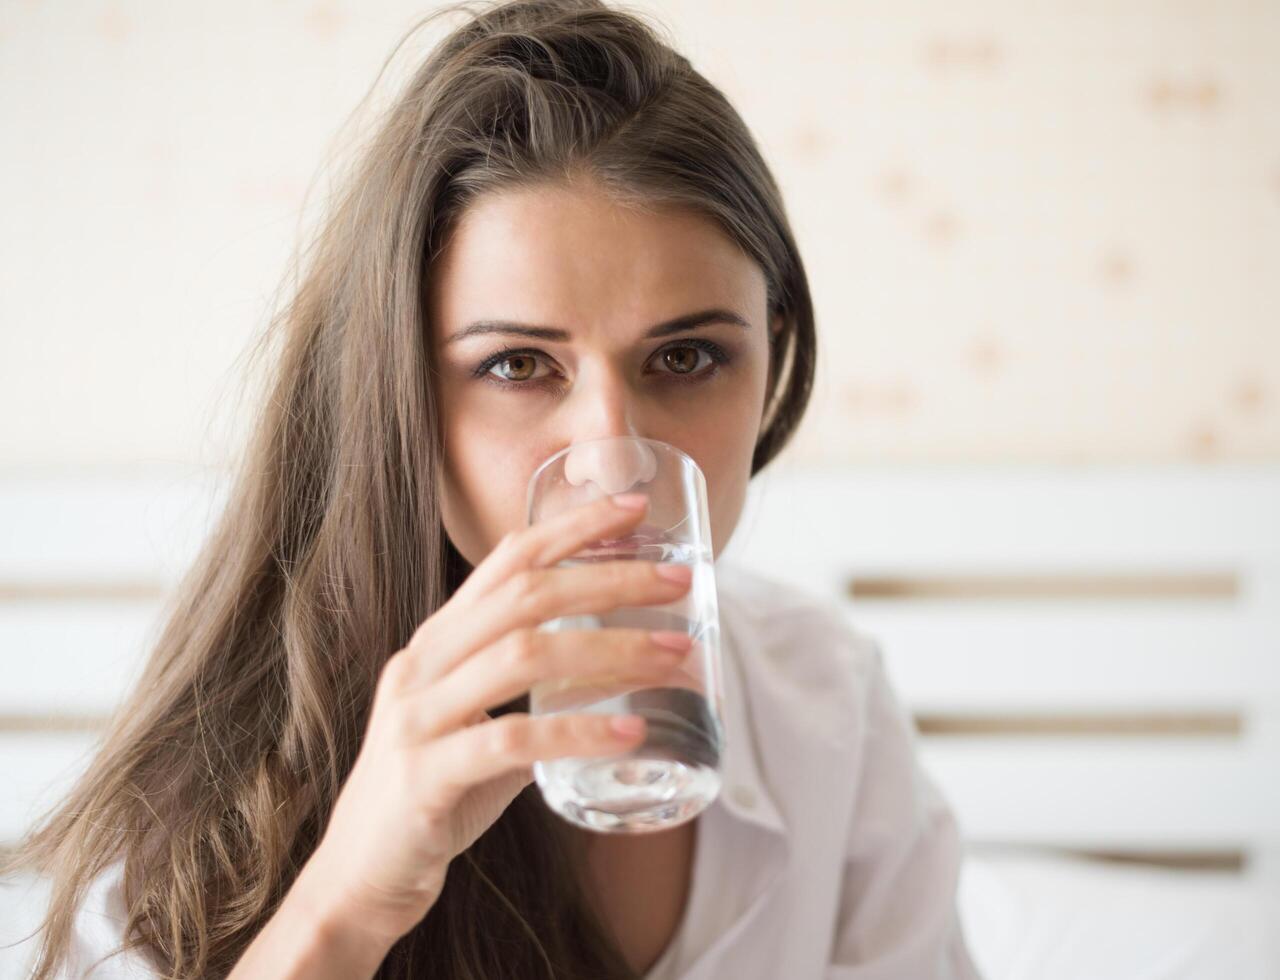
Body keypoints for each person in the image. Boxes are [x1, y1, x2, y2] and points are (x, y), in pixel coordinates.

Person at [3, 1, 982, 977]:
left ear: (771, 357)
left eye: (685, 355)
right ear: (398, 392)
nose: (611, 459)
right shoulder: (229, 777)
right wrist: (345, 904)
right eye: (517, 365)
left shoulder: (826, 707)